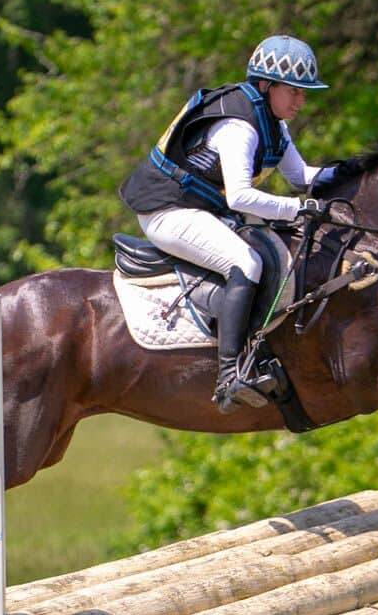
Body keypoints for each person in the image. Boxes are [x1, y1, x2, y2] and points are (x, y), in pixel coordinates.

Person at [119, 34, 336, 412]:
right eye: (295, 92)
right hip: (167, 210)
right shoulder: (240, 127)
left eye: (304, 93)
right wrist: (297, 209)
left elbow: (302, 176)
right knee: (246, 262)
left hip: (202, 209)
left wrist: (355, 172)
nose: (302, 100)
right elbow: (239, 197)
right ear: (267, 86)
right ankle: (229, 376)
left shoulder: (273, 124)